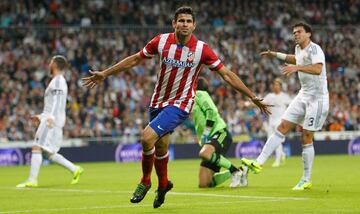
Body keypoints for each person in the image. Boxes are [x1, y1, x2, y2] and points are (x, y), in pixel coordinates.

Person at [82, 6, 271, 208]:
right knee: (160, 146)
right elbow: (136, 59)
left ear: (194, 25)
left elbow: (226, 74)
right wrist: (105, 73)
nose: (185, 24)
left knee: (146, 138)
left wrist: (251, 96)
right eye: (181, 20)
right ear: (174, 23)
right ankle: (163, 184)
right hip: (157, 101)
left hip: (181, 104)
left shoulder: (201, 49)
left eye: (189, 21)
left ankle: (145, 181)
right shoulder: (161, 41)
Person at [242, 22, 329, 190]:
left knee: (306, 136)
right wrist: (275, 54)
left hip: (317, 100)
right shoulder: (299, 49)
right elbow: (295, 58)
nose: (296, 34)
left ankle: (306, 178)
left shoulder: (315, 49)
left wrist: (296, 68)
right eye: (294, 32)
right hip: (303, 94)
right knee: (282, 126)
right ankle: (258, 162)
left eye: (299, 32)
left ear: (308, 34)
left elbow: (318, 69)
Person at [16, 55, 84, 188]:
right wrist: (41, 116)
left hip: (51, 121)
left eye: (51, 62)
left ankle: (32, 180)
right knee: (48, 154)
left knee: (37, 146)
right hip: (50, 119)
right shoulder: (56, 81)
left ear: (55, 65)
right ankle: (75, 169)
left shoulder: (58, 81)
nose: (49, 64)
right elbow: (52, 105)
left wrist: (50, 118)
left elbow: (57, 103)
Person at [192, 77, 248, 188]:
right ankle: (242, 170)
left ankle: (234, 171)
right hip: (210, 138)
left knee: (204, 153)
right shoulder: (192, 99)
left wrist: (205, 134)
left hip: (219, 132)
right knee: (204, 184)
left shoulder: (200, 94)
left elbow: (211, 112)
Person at [262, 78, 292, 167]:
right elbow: (262, 102)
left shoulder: (284, 96)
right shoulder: (269, 96)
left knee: (276, 141)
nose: (275, 86)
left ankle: (277, 161)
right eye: (274, 84)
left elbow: (292, 105)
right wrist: (248, 104)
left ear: (280, 86)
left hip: (280, 121)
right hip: (271, 121)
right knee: (270, 141)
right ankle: (282, 154)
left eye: (277, 84)